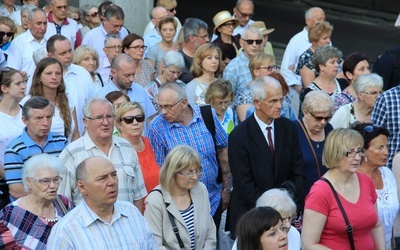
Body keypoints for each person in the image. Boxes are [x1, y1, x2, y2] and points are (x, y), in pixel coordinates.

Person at [226, 76, 304, 239]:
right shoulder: (239, 136)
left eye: (281, 99)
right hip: (251, 218)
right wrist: (271, 214)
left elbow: (298, 171)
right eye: (273, 101)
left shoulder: (289, 128)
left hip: (285, 217)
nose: (279, 106)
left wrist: (285, 208)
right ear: (257, 103)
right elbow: (244, 183)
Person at [147, 82, 231, 231]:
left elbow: (223, 149)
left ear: (184, 103)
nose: (163, 112)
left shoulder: (206, 115)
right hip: (181, 208)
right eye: (160, 106)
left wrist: (226, 189)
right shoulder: (157, 128)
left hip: (213, 200)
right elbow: (161, 172)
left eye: (168, 106)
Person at [47, 156, 158, 249]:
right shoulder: (66, 231)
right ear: (82, 187)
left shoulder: (132, 213)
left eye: (114, 175)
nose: (112, 182)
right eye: (102, 178)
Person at [58, 97, 147, 212]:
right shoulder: (71, 154)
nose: (105, 122)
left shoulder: (127, 148)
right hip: (88, 228)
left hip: (125, 226)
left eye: (109, 117)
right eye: (99, 118)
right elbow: (62, 202)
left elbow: (138, 197)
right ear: (85, 121)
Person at [301, 128, 386, 249]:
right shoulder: (320, 191)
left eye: (359, 151)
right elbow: (308, 244)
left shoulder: (366, 181)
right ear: (335, 153)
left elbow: (376, 225)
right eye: (350, 152)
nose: (357, 158)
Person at [145, 145, 217, 249]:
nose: (195, 177)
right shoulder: (155, 201)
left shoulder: (201, 190)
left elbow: (210, 233)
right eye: (188, 172)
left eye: (197, 170)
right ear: (172, 171)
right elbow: (154, 245)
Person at [0, 153, 74, 249]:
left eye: (56, 179)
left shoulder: (64, 204)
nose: (53, 186)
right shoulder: (9, 215)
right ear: (29, 182)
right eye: (45, 181)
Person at [4, 96, 68, 201]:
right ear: (25, 120)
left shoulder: (61, 142)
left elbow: (69, 178)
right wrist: (48, 197)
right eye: (39, 118)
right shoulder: (15, 150)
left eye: (49, 117)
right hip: (28, 209)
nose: (45, 123)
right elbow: (16, 190)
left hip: (60, 205)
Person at [353, 123, 399, 249]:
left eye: (387, 147)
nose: (386, 152)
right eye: (379, 148)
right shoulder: (352, 179)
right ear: (363, 151)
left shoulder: (387, 174)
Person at [280, 7, 326, 118]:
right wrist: (301, 89)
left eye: (324, 19)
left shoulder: (326, 40)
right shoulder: (296, 41)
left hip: (323, 89)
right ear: (308, 21)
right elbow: (285, 70)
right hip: (298, 90)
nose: (322, 23)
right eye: (318, 19)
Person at [22, 57, 80, 141]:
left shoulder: (68, 100)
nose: (54, 77)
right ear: (39, 77)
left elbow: (75, 134)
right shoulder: (27, 102)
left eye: (58, 73)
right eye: (49, 73)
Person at [46, 34, 94, 135]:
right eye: (63, 53)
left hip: (81, 138)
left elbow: (92, 107)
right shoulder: (39, 75)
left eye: (70, 51)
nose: (68, 56)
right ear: (50, 56)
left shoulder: (83, 74)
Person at [293, 90, 334, 198]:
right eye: (318, 118)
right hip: (302, 195)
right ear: (306, 112)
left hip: (327, 193)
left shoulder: (329, 129)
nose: (323, 122)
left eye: (327, 118)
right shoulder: (292, 130)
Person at [96, 53, 157, 124]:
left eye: (133, 74)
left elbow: (150, 119)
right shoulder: (101, 97)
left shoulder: (140, 90)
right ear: (113, 72)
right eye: (127, 75)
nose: (131, 79)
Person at [234, 52, 294, 122]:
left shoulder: (280, 89)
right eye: (269, 68)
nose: (273, 70)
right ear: (256, 72)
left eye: (274, 67)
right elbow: (248, 124)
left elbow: (290, 116)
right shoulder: (244, 95)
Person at [115, 102, 160, 194]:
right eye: (128, 120)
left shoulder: (148, 142)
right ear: (119, 125)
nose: (135, 123)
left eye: (139, 118)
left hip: (155, 204)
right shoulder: (116, 148)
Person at [233, 189, 300, 250]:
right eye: (273, 233)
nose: (288, 225)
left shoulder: (294, 233)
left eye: (290, 218)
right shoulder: (245, 238)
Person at [0, 67, 26, 209]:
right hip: (4, 183)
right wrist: (12, 177)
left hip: (31, 181)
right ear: (4, 88)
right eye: (18, 84)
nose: (23, 86)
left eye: (23, 82)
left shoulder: (27, 112)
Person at [82, 4, 128, 82]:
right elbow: (82, 62)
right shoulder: (91, 37)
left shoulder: (124, 32)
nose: (118, 29)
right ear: (104, 20)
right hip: (98, 81)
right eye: (115, 26)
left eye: (121, 26)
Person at [299, 45, 343, 118]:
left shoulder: (343, 84)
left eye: (337, 62)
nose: (337, 65)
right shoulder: (309, 91)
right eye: (332, 62)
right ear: (321, 66)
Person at [7, 7, 47, 78]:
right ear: (29, 24)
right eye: (39, 23)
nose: (43, 27)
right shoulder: (18, 43)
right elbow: (11, 72)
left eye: (45, 23)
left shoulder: (50, 42)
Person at [223, 26, 261, 96]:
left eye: (258, 42)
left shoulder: (266, 64)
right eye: (250, 42)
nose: (254, 45)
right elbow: (227, 99)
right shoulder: (232, 68)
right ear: (241, 43)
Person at [295, 21, 333, 88]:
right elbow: (311, 88)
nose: (328, 41)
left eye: (329, 37)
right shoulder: (306, 59)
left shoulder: (330, 53)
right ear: (314, 41)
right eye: (324, 38)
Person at [178, 18, 210, 83]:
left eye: (207, 36)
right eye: (204, 37)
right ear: (192, 38)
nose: (207, 39)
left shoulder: (209, 57)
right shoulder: (176, 59)